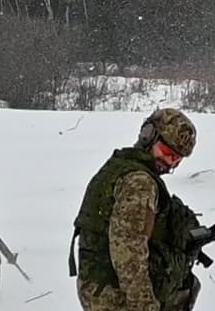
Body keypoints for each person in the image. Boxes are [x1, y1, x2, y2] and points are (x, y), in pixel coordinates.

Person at [72, 107, 201, 311]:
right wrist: (144, 305)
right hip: (113, 292)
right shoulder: (139, 182)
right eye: (167, 152)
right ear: (148, 136)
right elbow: (128, 251)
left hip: (99, 285)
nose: (169, 162)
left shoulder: (122, 165)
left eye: (177, 159)